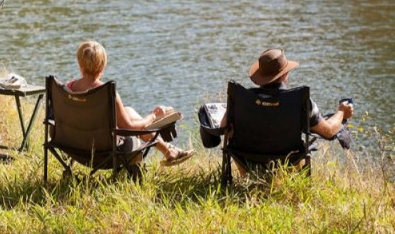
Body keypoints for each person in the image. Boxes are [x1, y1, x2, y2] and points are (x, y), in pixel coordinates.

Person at [65, 40, 194, 166]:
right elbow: (130, 127)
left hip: (75, 148)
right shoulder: (108, 93)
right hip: (105, 152)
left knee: (128, 111)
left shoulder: (67, 89)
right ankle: (167, 150)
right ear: (102, 65)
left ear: (79, 63)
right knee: (132, 129)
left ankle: (168, 150)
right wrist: (153, 116)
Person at [221, 48, 354, 139]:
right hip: (288, 163)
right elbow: (329, 132)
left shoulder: (241, 99)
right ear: (285, 75)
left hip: (246, 162)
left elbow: (222, 128)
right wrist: (341, 112)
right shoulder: (300, 101)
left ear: (259, 76)